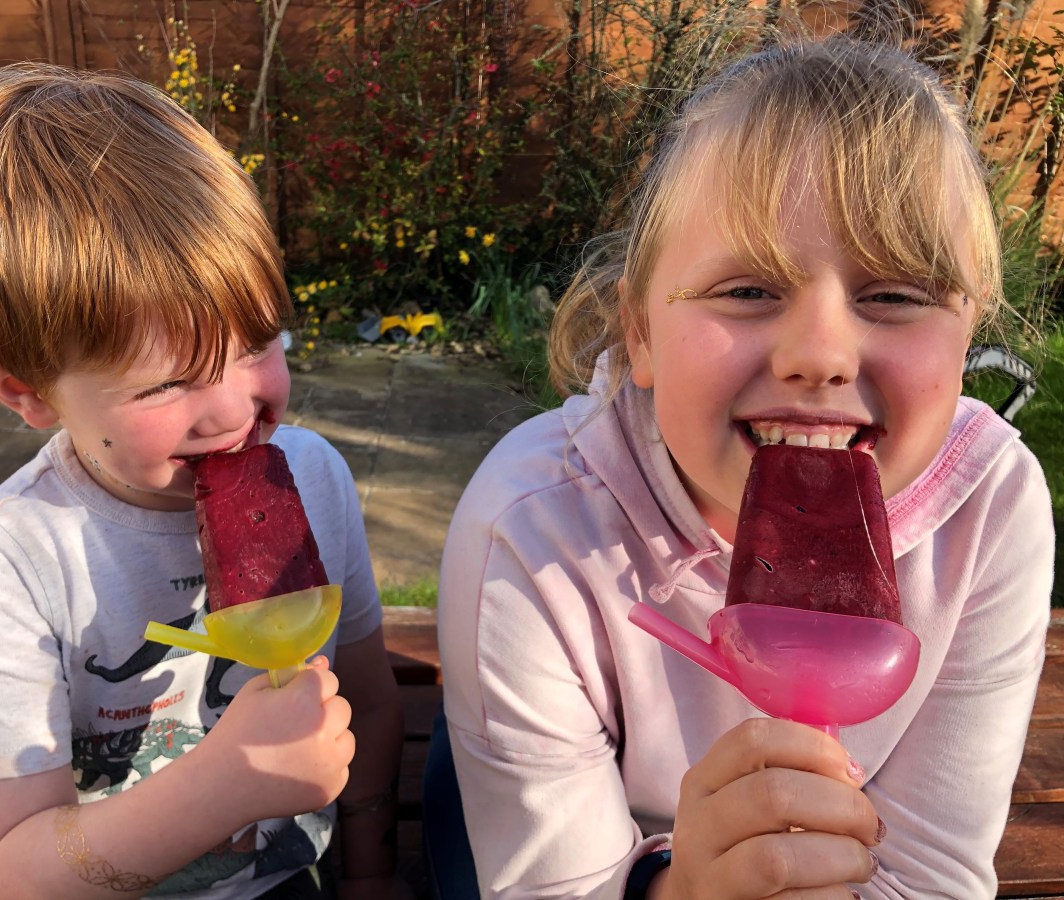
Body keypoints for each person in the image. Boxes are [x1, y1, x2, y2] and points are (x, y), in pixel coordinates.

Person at [434, 33, 1056, 900]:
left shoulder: (991, 510)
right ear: (640, 331)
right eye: (749, 290)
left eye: (896, 295)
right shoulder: (534, 526)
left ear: (968, 329)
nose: (821, 355)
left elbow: (934, 872)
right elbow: (552, 882)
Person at [0, 63, 409, 900]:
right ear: (24, 389)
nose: (235, 409)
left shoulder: (314, 476)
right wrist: (221, 788)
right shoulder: (11, 558)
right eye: (167, 383)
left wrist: (374, 872)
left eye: (257, 342)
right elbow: (2, 873)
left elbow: (372, 699)